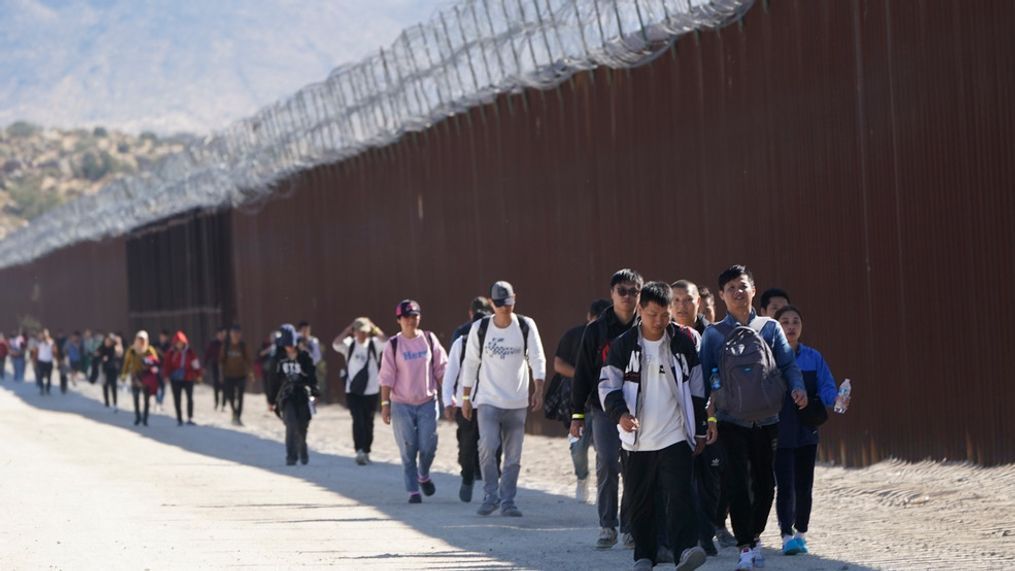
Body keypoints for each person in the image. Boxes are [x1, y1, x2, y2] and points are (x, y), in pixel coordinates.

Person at [699, 265, 808, 570]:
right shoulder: (713, 333)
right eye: (731, 287)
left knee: (765, 485)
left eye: (742, 286)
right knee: (736, 482)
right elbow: (704, 379)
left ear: (753, 289)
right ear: (721, 295)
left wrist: (798, 388)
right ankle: (745, 545)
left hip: (768, 419)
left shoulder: (770, 328)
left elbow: (788, 364)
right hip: (730, 420)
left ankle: (755, 533)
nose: (737, 292)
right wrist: (707, 418)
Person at [599, 282, 709, 571]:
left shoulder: (682, 344)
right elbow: (607, 386)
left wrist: (698, 429)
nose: (659, 321)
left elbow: (697, 389)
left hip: (675, 433)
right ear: (640, 311)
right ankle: (644, 556)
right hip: (637, 440)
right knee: (640, 499)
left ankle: (684, 550)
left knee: (680, 495)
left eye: (664, 315)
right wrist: (620, 414)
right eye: (652, 315)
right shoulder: (623, 345)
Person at [570, 269, 644, 549]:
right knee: (609, 462)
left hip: (638, 407)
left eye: (633, 291)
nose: (627, 296)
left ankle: (629, 527)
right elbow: (582, 375)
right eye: (621, 291)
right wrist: (576, 415)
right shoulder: (596, 330)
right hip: (602, 409)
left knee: (633, 465)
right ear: (612, 294)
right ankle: (607, 525)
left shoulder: (646, 326)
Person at [461, 281, 546, 518]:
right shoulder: (481, 328)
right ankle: (490, 495)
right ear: (491, 304)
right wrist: (466, 398)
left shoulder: (526, 325)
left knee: (513, 454)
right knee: (487, 445)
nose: (504, 308)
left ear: (514, 299)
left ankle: (508, 500)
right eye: (499, 304)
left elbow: (537, 358)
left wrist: (538, 388)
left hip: (517, 402)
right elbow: (470, 364)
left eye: (507, 303)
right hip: (488, 399)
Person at [773, 305, 841, 556]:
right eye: (785, 322)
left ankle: (801, 532)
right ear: (777, 326)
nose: (790, 326)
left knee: (805, 485)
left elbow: (827, 389)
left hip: (807, 430)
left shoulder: (813, 357)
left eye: (795, 322)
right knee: (785, 486)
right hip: (780, 431)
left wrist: (836, 400)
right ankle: (786, 535)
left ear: (801, 327)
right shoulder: (770, 356)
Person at [671, 279, 725, 555]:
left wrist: (712, 417)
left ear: (699, 302)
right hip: (674, 420)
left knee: (710, 481)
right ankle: (690, 538)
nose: (682, 306)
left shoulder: (713, 334)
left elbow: (716, 378)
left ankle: (708, 533)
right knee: (681, 480)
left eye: (688, 300)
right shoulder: (662, 333)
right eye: (676, 300)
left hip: (708, 416)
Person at [378, 300, 448, 503]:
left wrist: (448, 397)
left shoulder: (429, 339)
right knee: (408, 448)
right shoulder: (393, 345)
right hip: (401, 404)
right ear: (399, 319)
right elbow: (386, 377)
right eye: (407, 317)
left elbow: (441, 370)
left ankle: (423, 475)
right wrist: (385, 405)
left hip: (427, 401)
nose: (411, 320)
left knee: (428, 446)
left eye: (415, 316)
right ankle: (413, 490)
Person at [552, 298, 611, 503]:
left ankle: (602, 488)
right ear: (589, 317)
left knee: (604, 451)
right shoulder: (574, 335)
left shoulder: (613, 336)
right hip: (578, 404)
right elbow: (558, 364)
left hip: (604, 405)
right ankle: (582, 478)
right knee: (578, 448)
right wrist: (581, 375)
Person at [442, 302, 494, 502]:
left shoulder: (495, 344)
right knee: (467, 446)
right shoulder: (461, 344)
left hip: (491, 403)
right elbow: (450, 376)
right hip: (466, 404)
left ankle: (492, 487)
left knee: (492, 446)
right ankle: (467, 478)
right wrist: (448, 402)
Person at [333, 317, 386, 465]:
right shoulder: (349, 345)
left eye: (364, 331)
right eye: (358, 331)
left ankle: (367, 450)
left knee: (369, 421)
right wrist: (347, 330)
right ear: (354, 332)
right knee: (357, 420)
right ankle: (359, 451)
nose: (362, 334)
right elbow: (335, 344)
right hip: (353, 390)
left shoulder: (374, 344)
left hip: (372, 390)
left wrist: (375, 328)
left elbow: (387, 342)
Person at [267, 324, 320, 465]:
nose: (289, 347)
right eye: (286, 345)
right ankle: (291, 456)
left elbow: (312, 377)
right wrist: (270, 400)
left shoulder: (305, 357)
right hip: (286, 396)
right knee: (291, 424)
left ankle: (302, 448)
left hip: (302, 395)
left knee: (302, 425)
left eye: (291, 344)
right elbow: (272, 380)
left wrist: (315, 392)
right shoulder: (277, 359)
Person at [121, 331, 161, 426]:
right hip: (135, 375)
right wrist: (124, 374)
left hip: (146, 376)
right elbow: (126, 363)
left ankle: (145, 418)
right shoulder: (131, 350)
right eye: (139, 339)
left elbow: (156, 361)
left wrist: (149, 361)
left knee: (146, 398)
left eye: (143, 340)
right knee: (136, 397)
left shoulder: (149, 350)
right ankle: (137, 416)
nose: (141, 342)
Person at [163, 331, 202, 426]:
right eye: (178, 343)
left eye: (181, 343)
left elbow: (195, 364)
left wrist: (198, 374)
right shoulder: (171, 353)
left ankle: (190, 417)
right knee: (177, 399)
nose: (179, 345)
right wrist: (166, 376)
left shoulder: (189, 352)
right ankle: (179, 418)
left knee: (189, 398)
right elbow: (167, 365)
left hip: (188, 377)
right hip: (175, 378)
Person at [219, 324, 253, 426]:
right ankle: (234, 412)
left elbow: (248, 360)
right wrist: (221, 374)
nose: (235, 336)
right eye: (234, 333)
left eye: (237, 333)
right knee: (231, 396)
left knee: (241, 396)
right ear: (230, 334)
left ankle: (238, 416)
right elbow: (221, 360)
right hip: (229, 375)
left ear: (240, 334)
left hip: (241, 375)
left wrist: (250, 372)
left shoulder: (243, 346)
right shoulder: (226, 346)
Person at [96, 334, 122, 409]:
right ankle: (107, 402)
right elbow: (97, 354)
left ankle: (115, 402)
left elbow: (119, 355)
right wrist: (102, 358)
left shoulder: (114, 348)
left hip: (113, 369)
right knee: (105, 385)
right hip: (105, 369)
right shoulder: (102, 348)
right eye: (106, 340)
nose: (107, 342)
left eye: (109, 341)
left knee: (113, 386)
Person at [204, 326, 227, 411]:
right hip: (215, 365)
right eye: (220, 334)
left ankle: (223, 404)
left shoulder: (226, 344)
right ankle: (217, 402)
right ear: (217, 335)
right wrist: (205, 366)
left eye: (223, 335)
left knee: (225, 385)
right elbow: (207, 355)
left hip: (225, 366)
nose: (221, 336)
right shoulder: (213, 344)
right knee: (216, 385)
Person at [35, 329, 56, 395]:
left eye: (46, 334)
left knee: (49, 376)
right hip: (41, 361)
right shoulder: (39, 342)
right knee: (40, 375)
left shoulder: (51, 342)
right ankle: (41, 388)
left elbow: (54, 351)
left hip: (49, 361)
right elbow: (36, 351)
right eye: (43, 334)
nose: (45, 336)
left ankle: (48, 388)